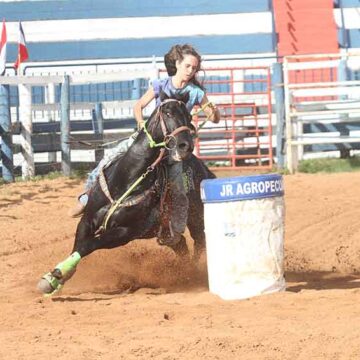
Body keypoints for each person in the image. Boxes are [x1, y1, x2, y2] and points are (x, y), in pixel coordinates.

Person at [69, 44, 220, 244]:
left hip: (173, 148)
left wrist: (212, 110)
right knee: (109, 158)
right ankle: (86, 198)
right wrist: (141, 124)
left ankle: (173, 229)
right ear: (177, 64)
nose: (191, 71)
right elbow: (139, 105)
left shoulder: (195, 93)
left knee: (179, 187)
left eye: (194, 68)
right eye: (187, 66)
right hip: (149, 139)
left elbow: (214, 117)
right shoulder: (160, 85)